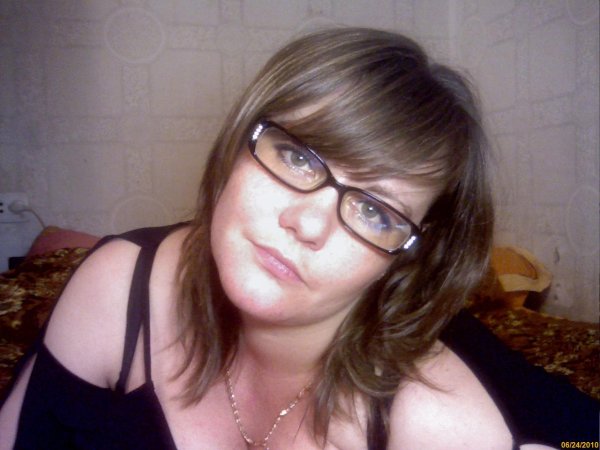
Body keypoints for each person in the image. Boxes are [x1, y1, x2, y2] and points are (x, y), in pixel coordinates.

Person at [0, 27, 596, 450]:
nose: (308, 226)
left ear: (405, 260)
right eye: (299, 157)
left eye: (376, 212)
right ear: (239, 142)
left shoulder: (438, 420)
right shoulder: (116, 288)